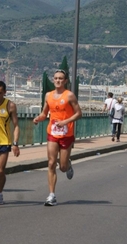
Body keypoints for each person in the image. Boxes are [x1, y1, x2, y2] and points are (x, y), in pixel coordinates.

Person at [33, 69, 82, 206]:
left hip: (67, 134)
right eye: (56, 78)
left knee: (63, 167)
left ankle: (68, 164)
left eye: (61, 78)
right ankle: (51, 195)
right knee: (50, 163)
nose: (58, 80)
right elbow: (44, 113)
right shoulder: (48, 95)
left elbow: (79, 113)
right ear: (53, 80)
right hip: (52, 133)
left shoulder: (69, 96)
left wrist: (66, 121)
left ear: (65, 81)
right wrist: (38, 118)